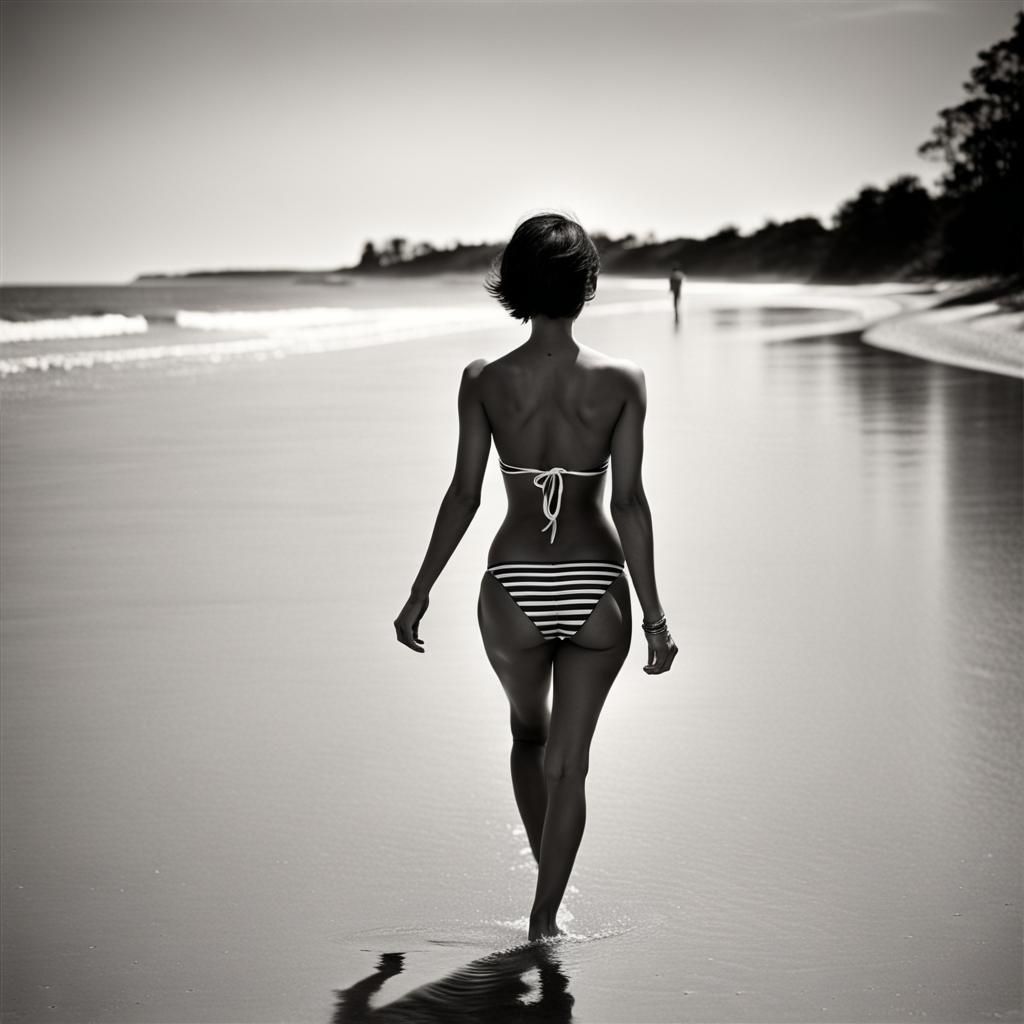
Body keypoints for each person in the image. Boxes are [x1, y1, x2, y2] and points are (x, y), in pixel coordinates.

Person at [394, 212, 677, 941]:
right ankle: (546, 915)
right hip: (598, 589)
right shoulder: (623, 381)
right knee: (570, 763)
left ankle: (544, 879)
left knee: (529, 738)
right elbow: (629, 502)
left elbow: (465, 494)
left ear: (513, 283)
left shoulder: (484, 380)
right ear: (586, 286)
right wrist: (654, 618)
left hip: (514, 586)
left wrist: (421, 589)